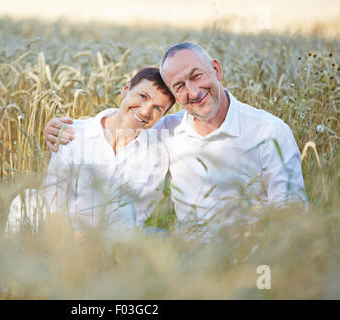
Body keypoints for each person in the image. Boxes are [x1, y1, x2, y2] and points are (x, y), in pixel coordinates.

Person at [45, 42, 308, 233]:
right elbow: (129, 118)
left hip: (251, 261)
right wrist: (65, 128)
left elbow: (293, 212)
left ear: (216, 69)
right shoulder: (166, 129)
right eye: (179, 87)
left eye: (196, 76)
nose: (193, 92)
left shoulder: (269, 132)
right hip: (187, 264)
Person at [7, 67, 175, 236]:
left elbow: (137, 217)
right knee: (26, 200)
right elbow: (53, 199)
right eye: (143, 96)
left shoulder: (156, 155)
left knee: (156, 232)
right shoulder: (72, 134)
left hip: (114, 242)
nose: (146, 111)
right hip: (62, 236)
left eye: (158, 109)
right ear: (126, 90)